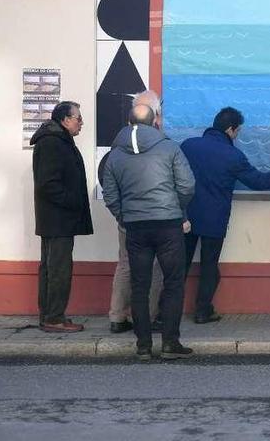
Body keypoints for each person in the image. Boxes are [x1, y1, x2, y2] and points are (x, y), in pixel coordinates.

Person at [101, 104, 195, 360]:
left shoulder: (115, 154)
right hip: (167, 224)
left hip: (135, 227)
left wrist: (123, 215)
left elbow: (110, 193)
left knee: (139, 285)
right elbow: (187, 185)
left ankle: (143, 345)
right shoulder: (170, 148)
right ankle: (170, 342)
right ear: (155, 122)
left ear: (129, 121)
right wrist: (178, 209)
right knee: (173, 283)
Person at [180, 107, 270, 324]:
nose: (236, 136)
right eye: (237, 132)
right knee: (209, 266)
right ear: (230, 129)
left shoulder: (188, 146)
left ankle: (165, 312)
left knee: (179, 266)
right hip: (214, 219)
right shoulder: (233, 156)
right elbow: (259, 182)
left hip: (185, 216)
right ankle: (203, 311)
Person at [104, 90, 165, 334]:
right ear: (155, 116)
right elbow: (181, 183)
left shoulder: (118, 144)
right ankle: (148, 317)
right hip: (156, 216)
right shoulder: (162, 144)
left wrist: (120, 213)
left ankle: (117, 316)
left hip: (127, 216)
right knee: (155, 266)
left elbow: (110, 185)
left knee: (126, 263)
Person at [31, 101, 93, 333]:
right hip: (58, 220)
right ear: (65, 120)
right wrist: (73, 201)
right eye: (78, 118)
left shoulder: (56, 141)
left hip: (56, 219)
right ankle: (54, 318)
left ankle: (50, 315)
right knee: (58, 269)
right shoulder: (52, 143)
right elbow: (48, 185)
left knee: (52, 268)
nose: (81, 123)